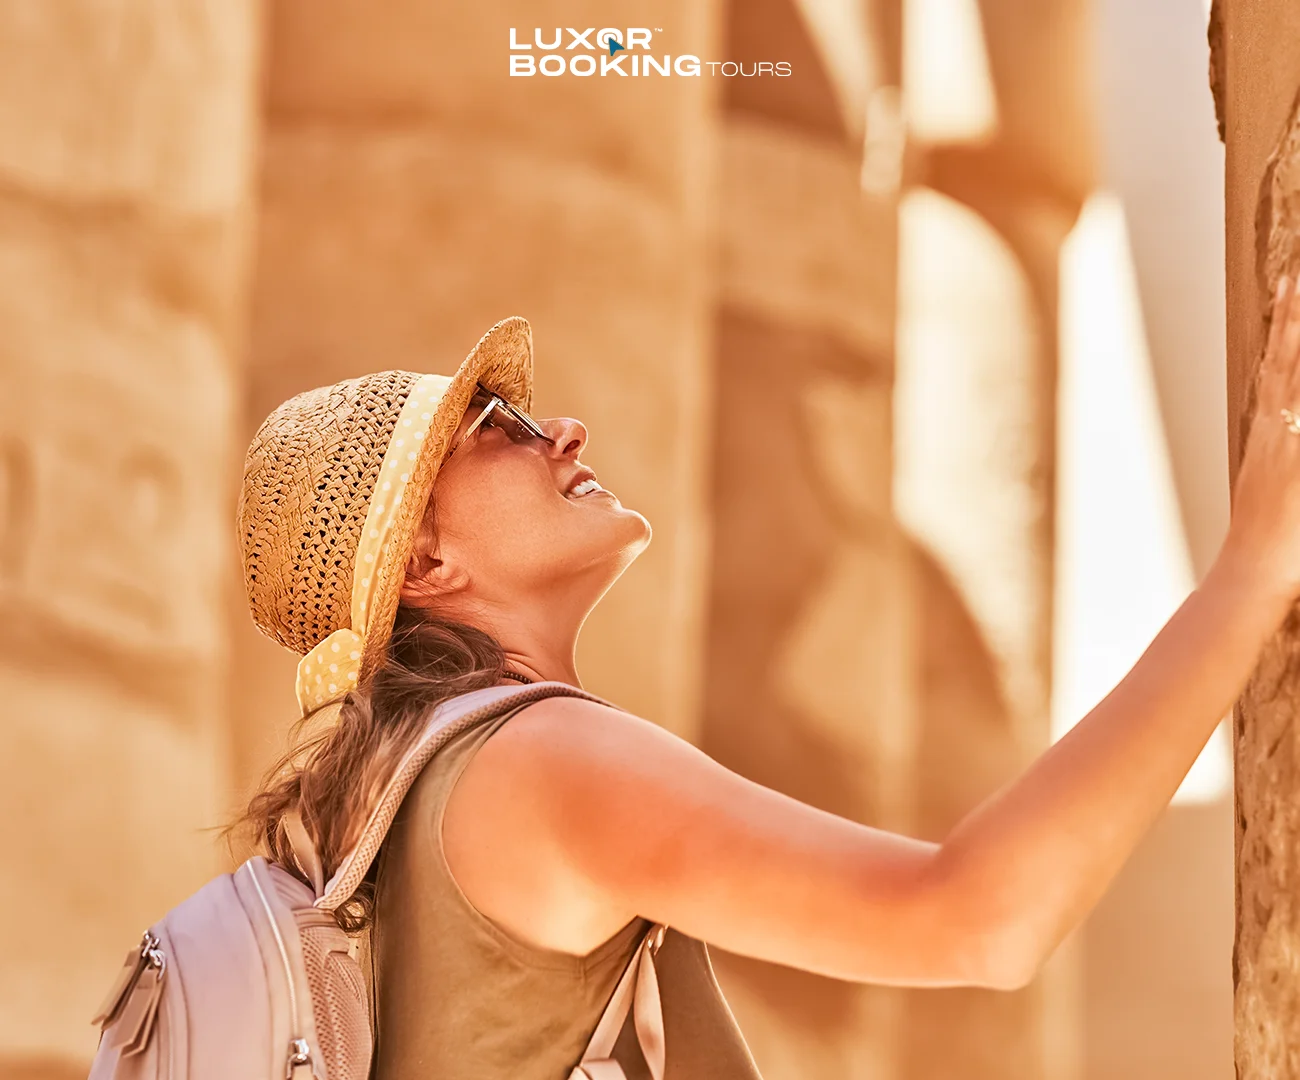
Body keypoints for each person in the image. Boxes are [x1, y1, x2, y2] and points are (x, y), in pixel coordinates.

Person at [235, 277, 1300, 1080]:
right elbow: (980, 920)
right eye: (497, 429)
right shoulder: (541, 762)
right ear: (426, 565)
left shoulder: (391, 807)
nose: (561, 430)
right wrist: (1251, 573)